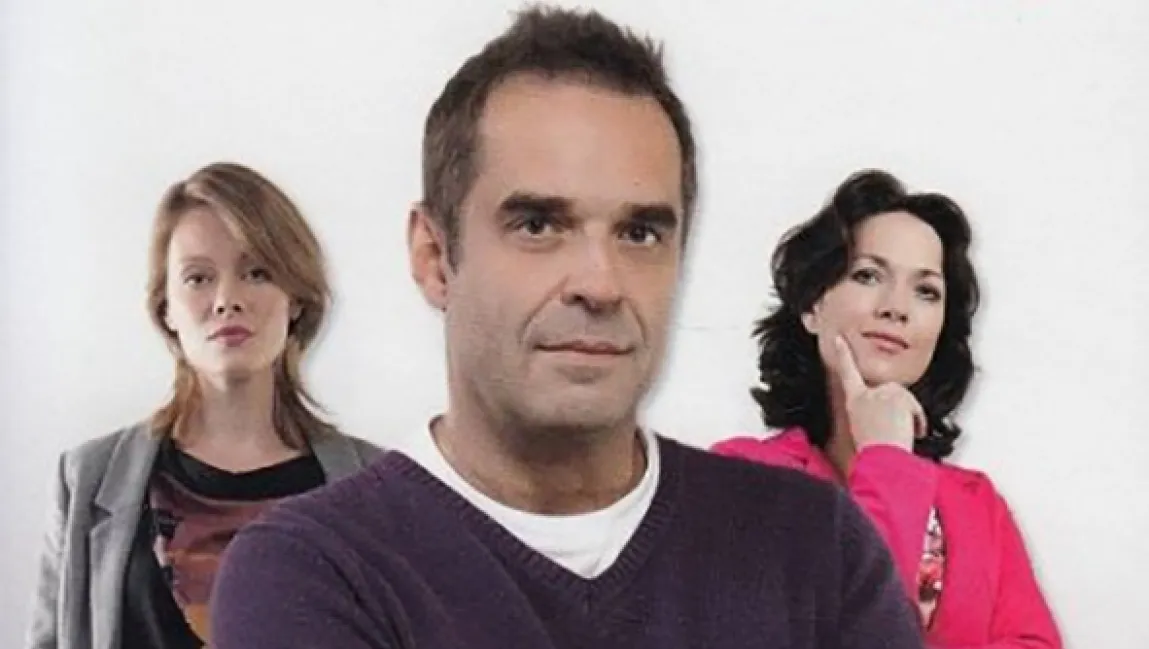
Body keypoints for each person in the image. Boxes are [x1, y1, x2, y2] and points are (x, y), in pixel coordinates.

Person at [209, 8, 925, 649]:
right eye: (538, 225)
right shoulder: (313, 571)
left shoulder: (813, 549)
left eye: (640, 233)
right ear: (433, 257)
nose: (600, 283)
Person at [26, 162, 381, 649]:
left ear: (296, 299)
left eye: (257, 273)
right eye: (198, 278)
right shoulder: (87, 479)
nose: (227, 300)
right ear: (166, 308)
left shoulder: (376, 487)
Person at [712, 169, 1062, 648]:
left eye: (926, 291)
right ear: (813, 307)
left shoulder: (978, 506)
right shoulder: (741, 480)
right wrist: (887, 462)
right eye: (868, 275)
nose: (897, 307)